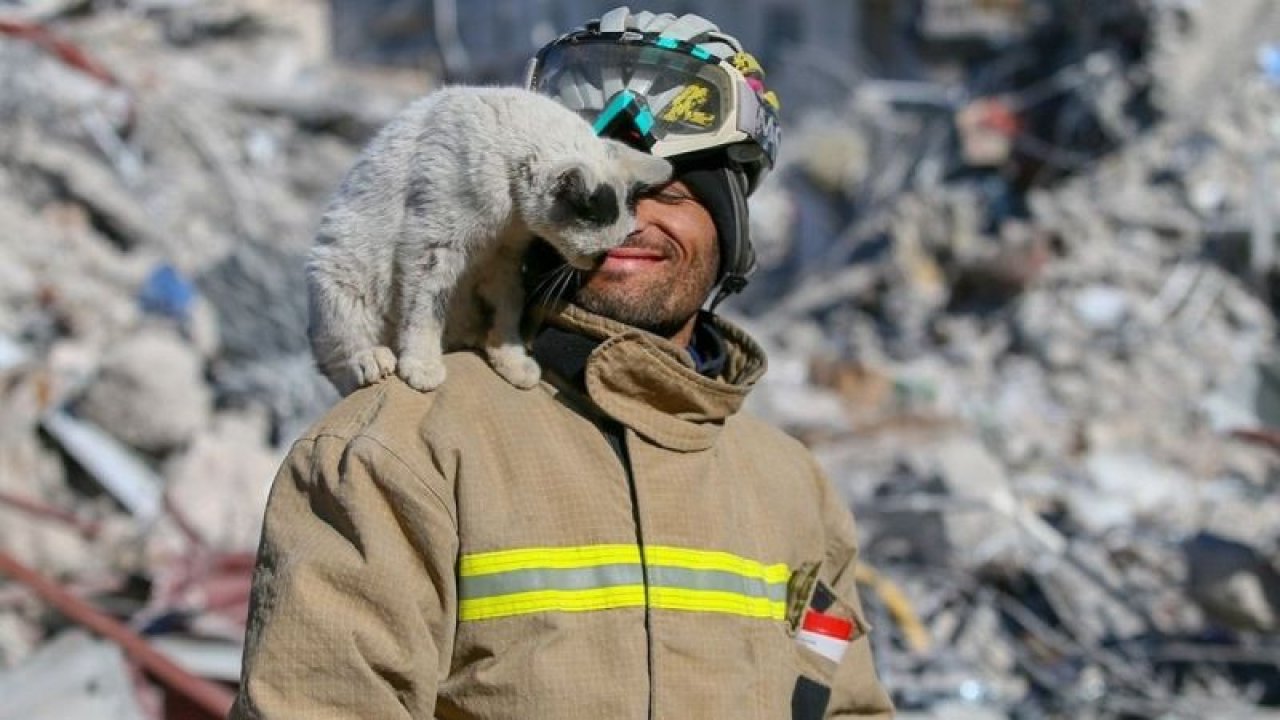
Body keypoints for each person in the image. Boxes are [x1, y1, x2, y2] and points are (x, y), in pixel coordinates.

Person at [231, 7, 894, 719]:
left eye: (671, 195)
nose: (630, 224)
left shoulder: (791, 486)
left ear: (731, 235)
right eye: (612, 196)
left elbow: (840, 699)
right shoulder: (400, 448)